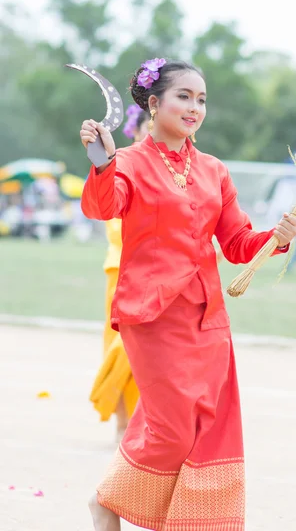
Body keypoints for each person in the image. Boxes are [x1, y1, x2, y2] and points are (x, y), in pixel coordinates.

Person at [80, 58, 296, 531]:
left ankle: (185, 522)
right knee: (172, 429)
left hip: (207, 318)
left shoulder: (214, 170)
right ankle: (105, 502)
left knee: (207, 427)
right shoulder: (131, 163)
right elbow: (104, 206)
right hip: (151, 314)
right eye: (184, 96)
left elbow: (238, 244)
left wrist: (276, 238)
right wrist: (101, 164)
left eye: (201, 99)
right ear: (154, 103)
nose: (195, 107)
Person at [89, 107, 150, 441]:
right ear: (135, 130)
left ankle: (147, 429)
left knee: (152, 356)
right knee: (121, 350)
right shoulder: (122, 162)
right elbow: (113, 222)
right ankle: (123, 425)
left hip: (161, 277)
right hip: (123, 272)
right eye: (148, 127)